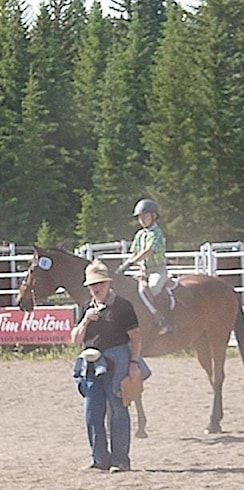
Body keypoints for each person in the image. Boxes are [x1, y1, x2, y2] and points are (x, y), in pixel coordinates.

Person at [71, 260, 143, 472]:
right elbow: (75, 339)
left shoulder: (123, 306)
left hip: (118, 361)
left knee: (119, 410)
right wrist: (85, 321)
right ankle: (99, 459)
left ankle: (121, 459)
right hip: (92, 364)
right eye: (93, 285)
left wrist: (133, 363)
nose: (97, 288)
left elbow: (136, 337)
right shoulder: (85, 307)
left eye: (100, 283)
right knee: (92, 412)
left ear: (108, 283)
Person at [117, 197, 173, 335]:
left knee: (153, 288)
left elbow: (148, 252)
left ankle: (165, 320)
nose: (141, 219)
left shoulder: (157, 233)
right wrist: (123, 266)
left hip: (157, 270)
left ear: (153, 216)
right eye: (139, 217)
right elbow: (135, 253)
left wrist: (131, 262)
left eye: (144, 216)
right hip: (143, 270)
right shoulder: (139, 234)